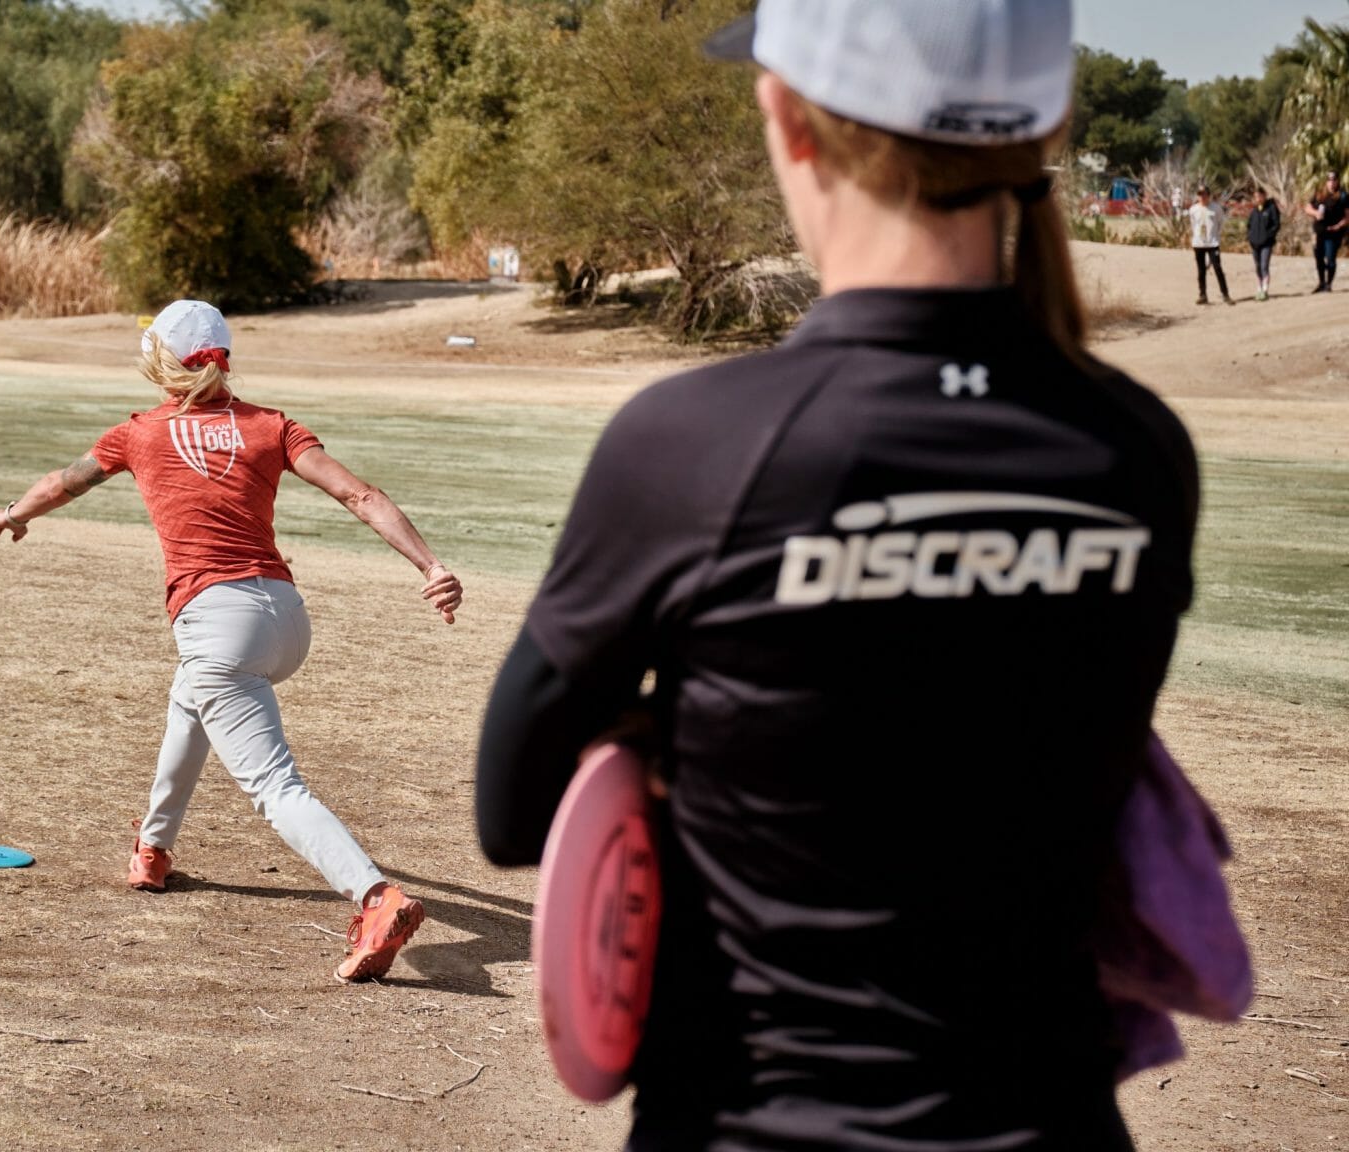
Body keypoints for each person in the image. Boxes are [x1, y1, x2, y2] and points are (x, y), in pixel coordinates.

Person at [475, 1, 1198, 1149]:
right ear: (1041, 124)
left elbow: (513, 815)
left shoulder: (695, 443)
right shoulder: (1134, 450)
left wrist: (664, 735)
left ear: (790, 118)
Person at [0, 299, 463, 983]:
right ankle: (153, 850)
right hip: (286, 617)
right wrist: (432, 565)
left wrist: (11, 514)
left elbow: (64, 483)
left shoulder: (139, 432)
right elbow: (360, 495)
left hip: (218, 622)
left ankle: (377, 898)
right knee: (190, 702)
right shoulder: (273, 425)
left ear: (161, 363)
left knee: (273, 786)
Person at [1188, 186, 1233, 306]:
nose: (1202, 197)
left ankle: (1225, 294)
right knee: (1201, 270)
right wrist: (1197, 237)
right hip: (1199, 243)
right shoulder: (1193, 209)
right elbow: (1193, 224)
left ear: (1209, 195)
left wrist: (1216, 236)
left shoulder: (1216, 208)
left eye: (1204, 194)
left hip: (1212, 243)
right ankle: (1202, 294)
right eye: (1199, 195)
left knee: (1218, 268)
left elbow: (1220, 223)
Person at [1305, 172, 1348, 292]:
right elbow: (1307, 208)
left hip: (1333, 232)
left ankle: (1329, 284)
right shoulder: (1319, 194)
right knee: (1318, 258)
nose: (1331, 182)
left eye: (1334, 179)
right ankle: (1321, 283)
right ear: (1326, 181)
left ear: (1337, 181)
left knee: (1330, 259)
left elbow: (1347, 216)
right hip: (1319, 232)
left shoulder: (1343, 195)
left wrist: (1339, 226)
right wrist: (1315, 213)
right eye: (1329, 179)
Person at [1248, 190, 1281, 301]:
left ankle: (1265, 290)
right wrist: (1250, 237)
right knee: (1257, 266)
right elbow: (1249, 225)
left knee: (1264, 266)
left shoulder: (1271, 208)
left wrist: (1268, 236)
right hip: (1254, 243)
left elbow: (1276, 225)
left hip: (1266, 243)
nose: (1258, 199)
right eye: (1256, 196)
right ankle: (1259, 287)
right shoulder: (1254, 210)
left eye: (1260, 196)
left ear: (1264, 196)